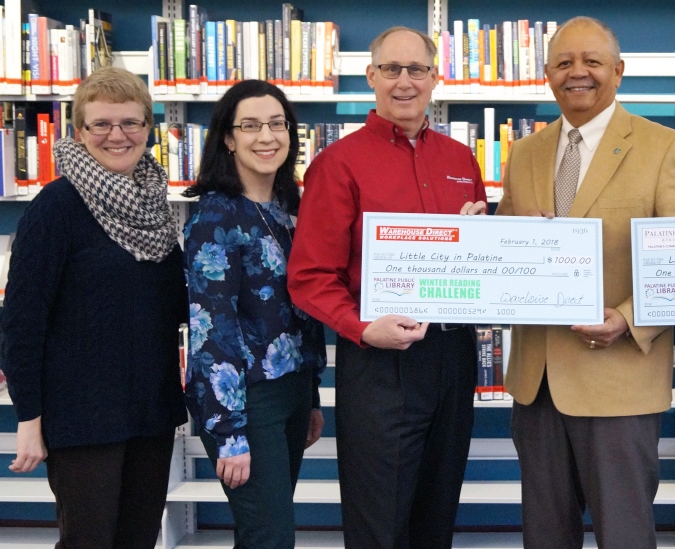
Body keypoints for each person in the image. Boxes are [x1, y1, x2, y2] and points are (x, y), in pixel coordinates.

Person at [494, 16, 675, 548]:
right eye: (564, 63)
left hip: (619, 384)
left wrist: (628, 319)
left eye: (591, 61)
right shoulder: (525, 152)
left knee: (625, 536)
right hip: (537, 384)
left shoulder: (666, 148)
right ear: (547, 74)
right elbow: (504, 248)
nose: (577, 73)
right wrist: (480, 237)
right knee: (544, 537)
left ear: (618, 71)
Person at [287, 26, 487, 548]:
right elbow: (309, 276)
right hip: (378, 361)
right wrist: (360, 327)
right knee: (380, 521)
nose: (405, 82)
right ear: (371, 77)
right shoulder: (337, 163)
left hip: (453, 352)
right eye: (391, 70)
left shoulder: (461, 161)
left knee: (437, 512)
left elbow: (478, 255)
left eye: (416, 69)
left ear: (435, 78)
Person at [1, 67, 187, 548]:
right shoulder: (55, 208)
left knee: (137, 540)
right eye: (101, 124)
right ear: (79, 132)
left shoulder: (156, 208)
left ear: (149, 128)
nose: (117, 136)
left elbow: (173, 305)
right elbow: (22, 322)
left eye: (130, 123)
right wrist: (28, 419)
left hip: (151, 409)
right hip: (81, 418)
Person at [182, 79, 327, 549]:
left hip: (291, 393)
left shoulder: (291, 210)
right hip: (246, 401)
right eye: (250, 126)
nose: (266, 136)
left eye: (276, 123)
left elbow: (302, 310)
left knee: (265, 534)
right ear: (228, 137)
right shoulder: (215, 216)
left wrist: (311, 397)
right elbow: (210, 328)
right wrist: (228, 433)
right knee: (270, 537)